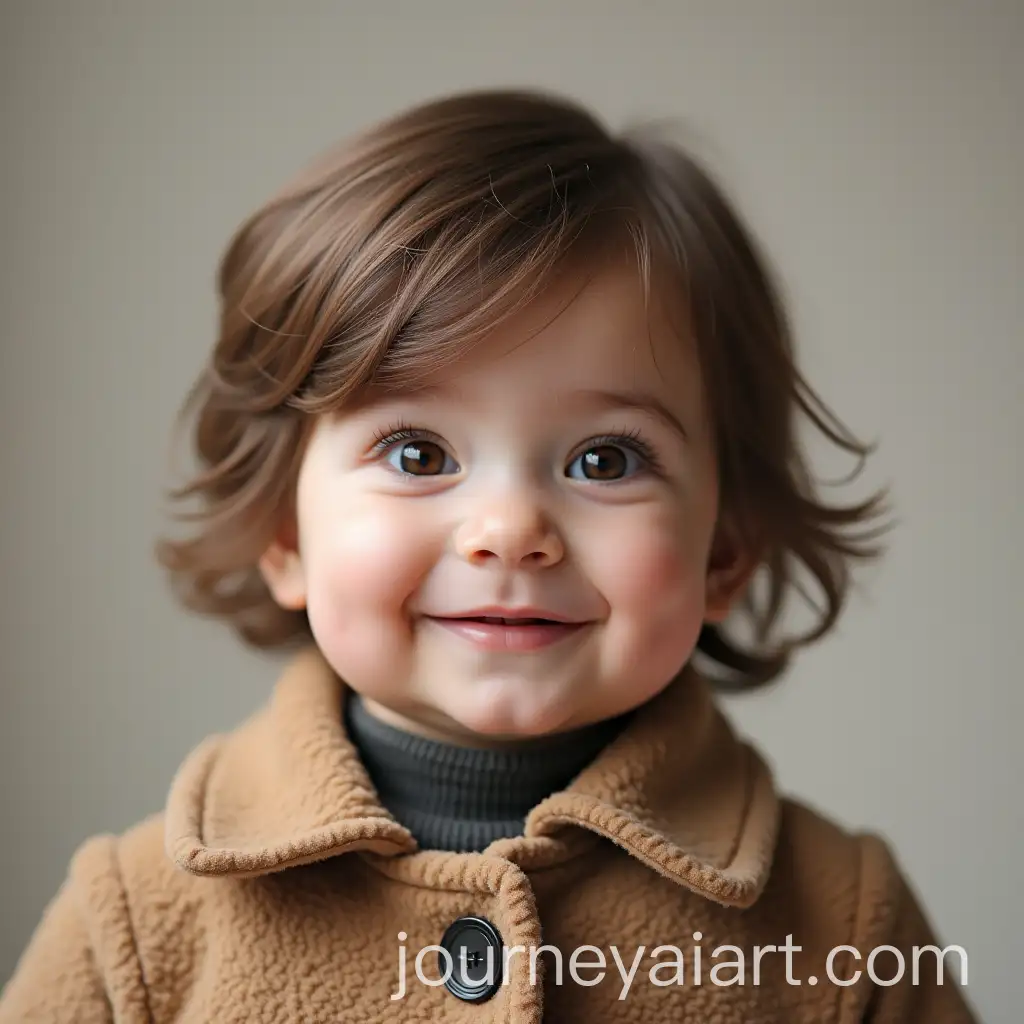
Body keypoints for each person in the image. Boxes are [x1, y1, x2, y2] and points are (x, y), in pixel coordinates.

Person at [0, 88, 978, 1023]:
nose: (509, 527)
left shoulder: (842, 920)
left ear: (722, 550)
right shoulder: (133, 918)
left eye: (605, 459)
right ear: (284, 534)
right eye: (418, 453)